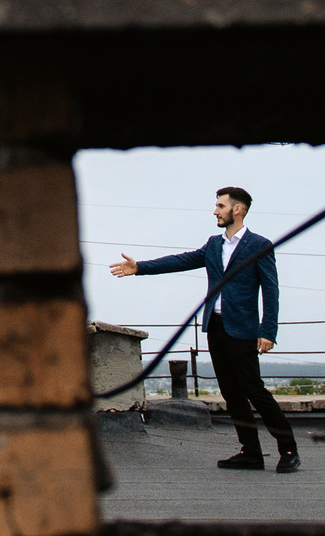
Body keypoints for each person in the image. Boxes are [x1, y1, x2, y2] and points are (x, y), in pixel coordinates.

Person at [111, 186, 300, 472]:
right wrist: (141, 267)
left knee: (254, 390)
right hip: (217, 326)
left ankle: (288, 450)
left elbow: (270, 292)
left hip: (244, 329)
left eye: (221, 206)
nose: (215, 211)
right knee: (231, 393)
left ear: (237, 209)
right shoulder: (213, 245)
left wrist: (268, 330)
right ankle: (250, 452)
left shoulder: (259, 245)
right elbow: (182, 260)